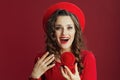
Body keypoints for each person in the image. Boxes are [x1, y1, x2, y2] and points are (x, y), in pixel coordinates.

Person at [29, 2, 97, 80]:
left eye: (69, 28)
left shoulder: (87, 58)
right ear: (53, 32)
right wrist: (34, 76)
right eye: (58, 28)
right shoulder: (42, 60)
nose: (64, 33)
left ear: (76, 31)